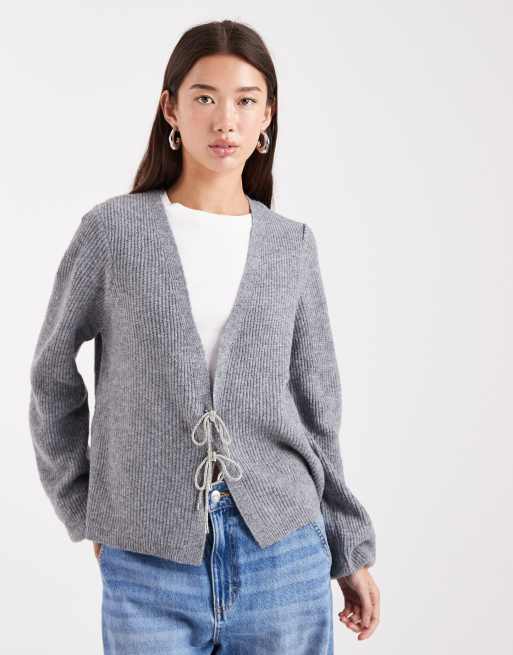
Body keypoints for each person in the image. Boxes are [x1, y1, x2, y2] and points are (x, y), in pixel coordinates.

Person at [28, 19, 380, 654]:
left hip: (285, 554)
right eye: (205, 97)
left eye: (246, 101)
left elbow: (317, 410)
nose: (226, 121)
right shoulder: (113, 233)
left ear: (267, 115)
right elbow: (51, 375)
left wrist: (347, 546)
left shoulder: (291, 247)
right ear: (171, 108)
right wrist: (86, 506)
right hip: (148, 559)